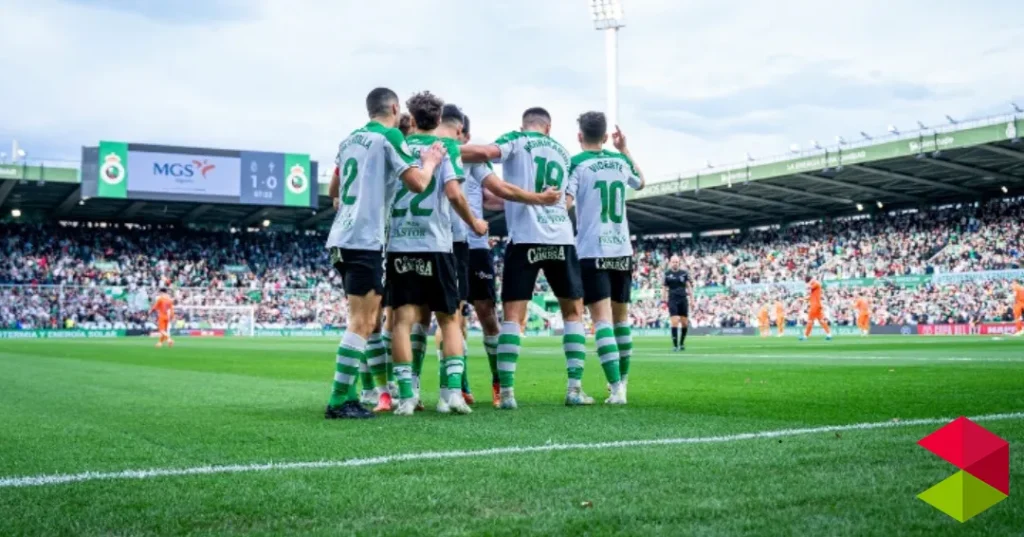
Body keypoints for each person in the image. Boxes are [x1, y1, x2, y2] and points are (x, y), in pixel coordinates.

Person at [323, 87, 445, 420]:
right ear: (394, 107)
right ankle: (338, 400)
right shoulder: (389, 136)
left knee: (368, 320)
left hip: (340, 237)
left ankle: (356, 394)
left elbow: (334, 190)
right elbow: (418, 183)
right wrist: (431, 162)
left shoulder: (349, 141)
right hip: (365, 239)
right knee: (363, 322)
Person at [460, 107, 587, 409]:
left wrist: (446, 146)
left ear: (524, 124)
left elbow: (485, 152)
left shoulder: (516, 140)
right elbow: (566, 201)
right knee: (573, 315)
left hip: (525, 237)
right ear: (549, 127)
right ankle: (574, 389)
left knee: (513, 318)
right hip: (560, 238)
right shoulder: (564, 153)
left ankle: (506, 395)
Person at [387, 91, 487, 416]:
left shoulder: (397, 145)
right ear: (439, 116)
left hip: (401, 245)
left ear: (411, 118)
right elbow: (454, 192)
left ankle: (406, 396)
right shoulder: (448, 149)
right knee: (449, 320)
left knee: (402, 321)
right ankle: (452, 395)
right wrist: (473, 222)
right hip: (437, 245)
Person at [565, 112, 645, 405]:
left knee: (602, 322)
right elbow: (641, 182)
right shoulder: (620, 161)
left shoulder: (576, 164)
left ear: (579, 136)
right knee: (622, 321)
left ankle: (616, 390)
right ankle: (621, 384)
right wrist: (623, 148)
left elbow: (566, 204)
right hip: (622, 250)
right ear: (605, 136)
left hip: (592, 250)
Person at [664, 256, 692, 351]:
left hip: (683, 299)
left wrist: (692, 300)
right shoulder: (667, 274)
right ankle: (675, 345)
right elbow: (664, 287)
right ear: (670, 262)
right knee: (674, 321)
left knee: (684, 323)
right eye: (673, 262)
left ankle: (681, 343)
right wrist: (663, 298)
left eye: (676, 262)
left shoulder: (684, 273)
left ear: (679, 262)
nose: (675, 263)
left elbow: (688, 286)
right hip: (672, 299)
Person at [800, 276, 833, 341]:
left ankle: (805, 336)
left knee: (810, 321)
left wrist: (809, 282)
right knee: (821, 321)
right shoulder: (815, 285)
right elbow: (811, 296)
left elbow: (808, 288)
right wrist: (803, 299)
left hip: (814, 305)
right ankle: (829, 334)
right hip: (817, 305)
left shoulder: (816, 283)